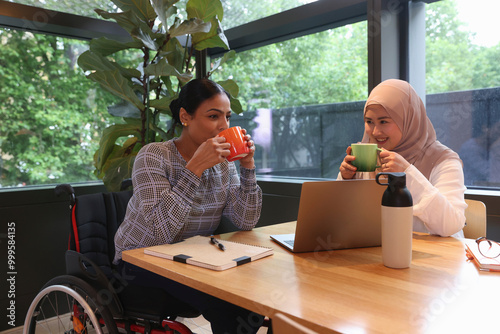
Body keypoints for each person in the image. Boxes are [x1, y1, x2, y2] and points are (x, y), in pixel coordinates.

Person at [113, 78, 265, 333]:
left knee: (251, 295)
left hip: (192, 258)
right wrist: (194, 167)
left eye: (227, 117)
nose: (224, 126)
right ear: (185, 116)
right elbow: (161, 232)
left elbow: (246, 220)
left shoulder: (224, 164)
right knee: (228, 305)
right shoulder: (153, 156)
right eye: (214, 116)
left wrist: (247, 166)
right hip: (140, 261)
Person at [338, 79, 467, 238]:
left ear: (408, 119)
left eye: (384, 121)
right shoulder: (365, 154)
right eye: (369, 121)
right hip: (377, 253)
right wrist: (346, 179)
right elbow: (342, 218)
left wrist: (407, 173)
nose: (375, 132)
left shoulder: (444, 160)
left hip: (437, 258)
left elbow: (450, 225)